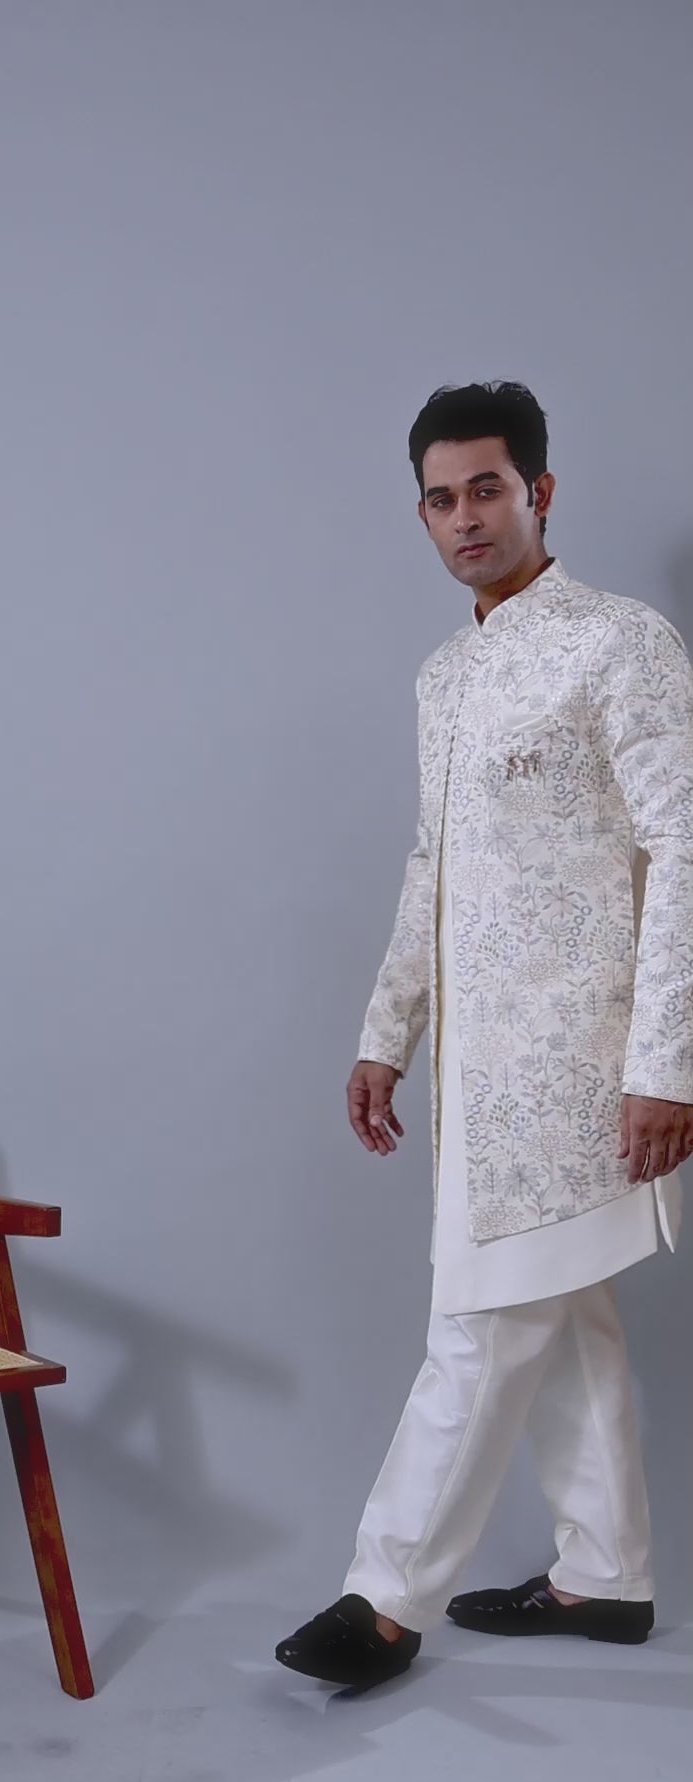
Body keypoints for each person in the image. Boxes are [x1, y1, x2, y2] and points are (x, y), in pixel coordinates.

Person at [276, 381, 693, 1692]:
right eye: (441, 499)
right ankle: (606, 1576)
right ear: (423, 514)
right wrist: (386, 1034)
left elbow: (684, 847)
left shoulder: (621, 642)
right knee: (566, 1318)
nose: (465, 518)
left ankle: (385, 1598)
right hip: (478, 1071)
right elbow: (433, 868)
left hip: (586, 1070)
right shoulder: (444, 677)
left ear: (540, 493)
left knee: (483, 1322)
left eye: (488, 490)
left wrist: (666, 1065)